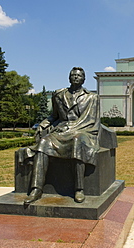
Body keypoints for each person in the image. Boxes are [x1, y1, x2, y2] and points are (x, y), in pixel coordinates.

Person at [24, 67, 101, 204]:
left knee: (77, 141)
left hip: (83, 131)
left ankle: (79, 189)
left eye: (79, 76)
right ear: (69, 77)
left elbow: (91, 121)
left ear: (84, 79)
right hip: (61, 131)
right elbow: (54, 116)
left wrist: (72, 128)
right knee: (43, 143)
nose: (76, 77)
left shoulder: (92, 98)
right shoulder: (59, 95)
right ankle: (36, 189)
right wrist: (43, 124)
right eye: (73, 75)